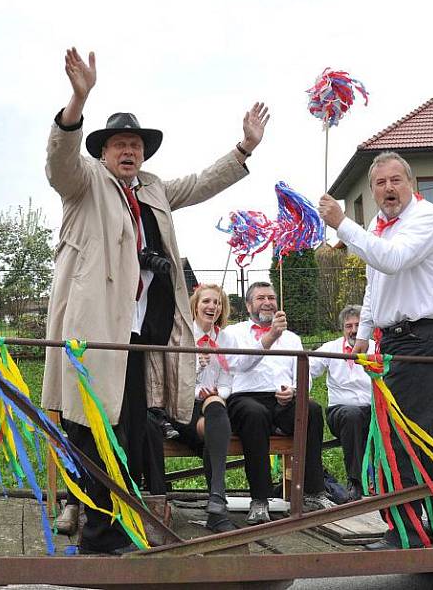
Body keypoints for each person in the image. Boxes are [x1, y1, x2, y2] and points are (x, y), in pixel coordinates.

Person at [41, 47, 269, 554]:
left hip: (140, 336)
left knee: (129, 433)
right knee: (94, 431)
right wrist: (78, 100)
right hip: (95, 334)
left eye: (136, 146)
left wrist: (244, 149)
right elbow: (59, 162)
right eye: (120, 144)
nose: (129, 152)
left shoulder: (153, 189)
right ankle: (99, 533)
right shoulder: (86, 182)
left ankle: (114, 524)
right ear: (103, 151)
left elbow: (201, 183)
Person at [318, 151, 433, 550]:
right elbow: (374, 283)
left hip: (424, 335)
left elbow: (392, 260)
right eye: (380, 183)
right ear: (372, 189)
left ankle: (407, 531)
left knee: (400, 436)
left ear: (411, 183)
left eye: (395, 180)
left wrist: (341, 224)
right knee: (410, 434)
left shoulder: (426, 218)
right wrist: (365, 332)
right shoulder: (376, 225)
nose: (388, 188)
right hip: (395, 338)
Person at [224, 282, 334, 525]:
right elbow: (238, 365)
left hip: (281, 399)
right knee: (254, 415)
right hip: (246, 398)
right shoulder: (234, 333)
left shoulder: (292, 338)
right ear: (248, 304)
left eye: (271, 297)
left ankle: (314, 491)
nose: (267, 302)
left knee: (312, 410)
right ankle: (260, 499)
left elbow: (301, 374)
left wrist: (294, 391)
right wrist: (270, 336)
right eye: (261, 297)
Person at [172, 284, 261, 532]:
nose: (212, 307)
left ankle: (217, 501)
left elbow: (228, 380)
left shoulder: (225, 338)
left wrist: (217, 395)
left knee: (215, 410)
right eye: (207, 302)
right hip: (185, 405)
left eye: (217, 302)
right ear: (196, 305)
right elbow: (171, 380)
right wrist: (197, 368)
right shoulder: (182, 334)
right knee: (215, 424)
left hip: (214, 405)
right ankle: (218, 504)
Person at [309, 305, 373, 502]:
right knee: (352, 416)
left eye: (358, 325)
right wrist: (300, 393)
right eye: (348, 326)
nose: (353, 330)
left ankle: (394, 482)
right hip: (341, 412)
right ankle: (356, 481)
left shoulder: (378, 347)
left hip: (373, 411)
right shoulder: (331, 348)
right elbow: (307, 368)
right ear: (342, 329)